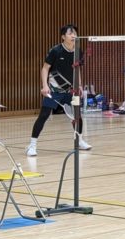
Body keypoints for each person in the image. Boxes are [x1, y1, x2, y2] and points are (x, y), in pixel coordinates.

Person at [27, 24, 91, 157]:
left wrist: (79, 84)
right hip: (54, 90)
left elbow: (77, 69)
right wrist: (45, 86)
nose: (73, 36)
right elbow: (45, 68)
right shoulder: (55, 51)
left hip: (71, 91)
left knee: (77, 116)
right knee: (44, 115)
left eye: (75, 33)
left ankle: (79, 140)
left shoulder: (78, 51)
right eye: (70, 33)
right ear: (63, 37)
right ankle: (32, 145)